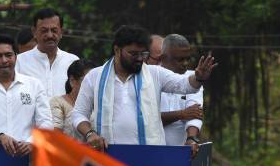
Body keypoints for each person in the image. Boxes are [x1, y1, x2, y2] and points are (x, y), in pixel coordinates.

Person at [71, 24, 216, 150]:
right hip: (109, 158)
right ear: (117, 50)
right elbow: (78, 114)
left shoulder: (154, 74)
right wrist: (90, 134)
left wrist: (198, 77)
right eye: (133, 53)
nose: (140, 58)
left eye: (143, 53)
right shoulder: (95, 77)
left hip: (149, 158)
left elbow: (184, 85)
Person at [0, 34, 53, 157]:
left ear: (16, 57)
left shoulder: (34, 85)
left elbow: (46, 124)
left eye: (8, 55)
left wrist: (31, 142)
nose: (4, 60)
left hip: (30, 157)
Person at [16, 8, 78, 97]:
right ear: (34, 32)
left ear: (61, 32)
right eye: (44, 30)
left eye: (54, 30)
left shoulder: (73, 61)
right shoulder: (19, 62)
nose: (49, 35)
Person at [160, 34, 203, 157]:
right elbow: (149, 119)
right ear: (163, 58)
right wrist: (181, 114)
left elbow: (195, 113)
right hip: (153, 152)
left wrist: (191, 138)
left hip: (180, 153)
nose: (185, 63)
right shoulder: (151, 77)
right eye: (180, 59)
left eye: (187, 59)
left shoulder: (193, 78)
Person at [50, 59, 94, 139]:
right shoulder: (58, 102)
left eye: (94, 81)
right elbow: (55, 134)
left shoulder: (98, 103)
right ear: (72, 81)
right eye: (87, 81)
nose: (92, 85)